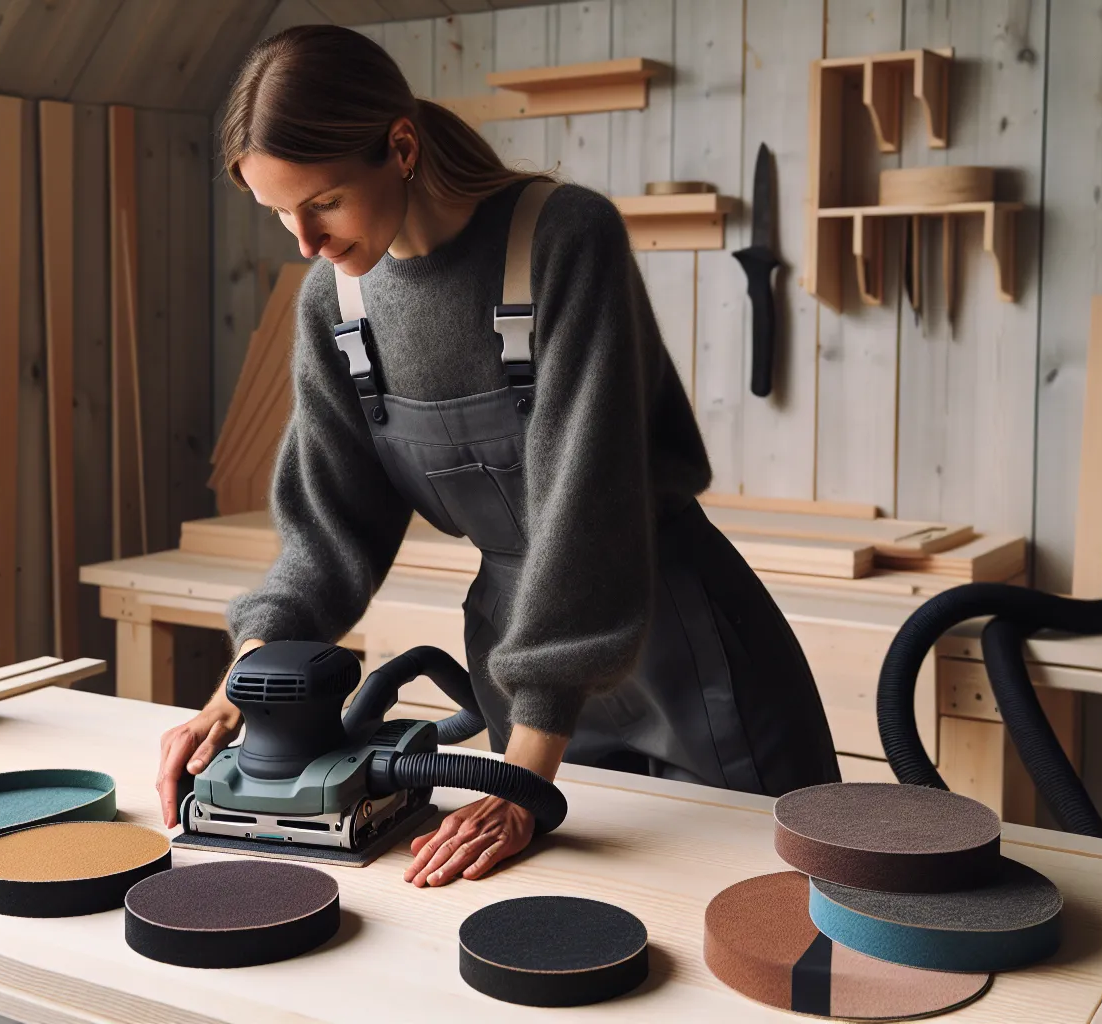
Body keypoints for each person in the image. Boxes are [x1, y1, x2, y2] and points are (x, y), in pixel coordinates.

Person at [156, 24, 840, 888]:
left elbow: (587, 511)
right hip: (518, 667)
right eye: (278, 213)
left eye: (323, 201)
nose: (304, 241)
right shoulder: (337, 302)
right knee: (561, 920)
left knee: (775, 910)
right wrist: (241, 689)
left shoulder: (562, 241)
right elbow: (327, 537)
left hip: (684, 650)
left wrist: (524, 776)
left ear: (400, 147)